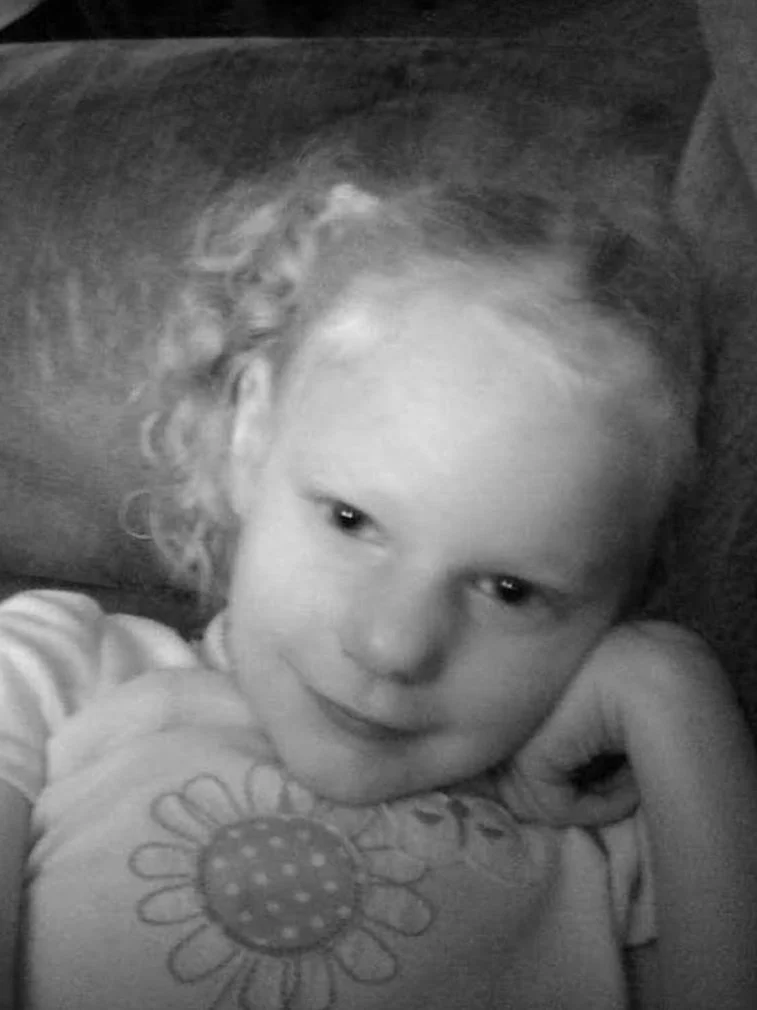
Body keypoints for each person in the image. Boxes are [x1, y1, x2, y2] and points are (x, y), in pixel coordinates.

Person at [0, 102, 756, 1010]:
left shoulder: (617, 826)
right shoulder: (54, 670)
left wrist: (669, 689)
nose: (394, 646)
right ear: (249, 436)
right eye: (352, 520)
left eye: (509, 589)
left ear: (620, 598)